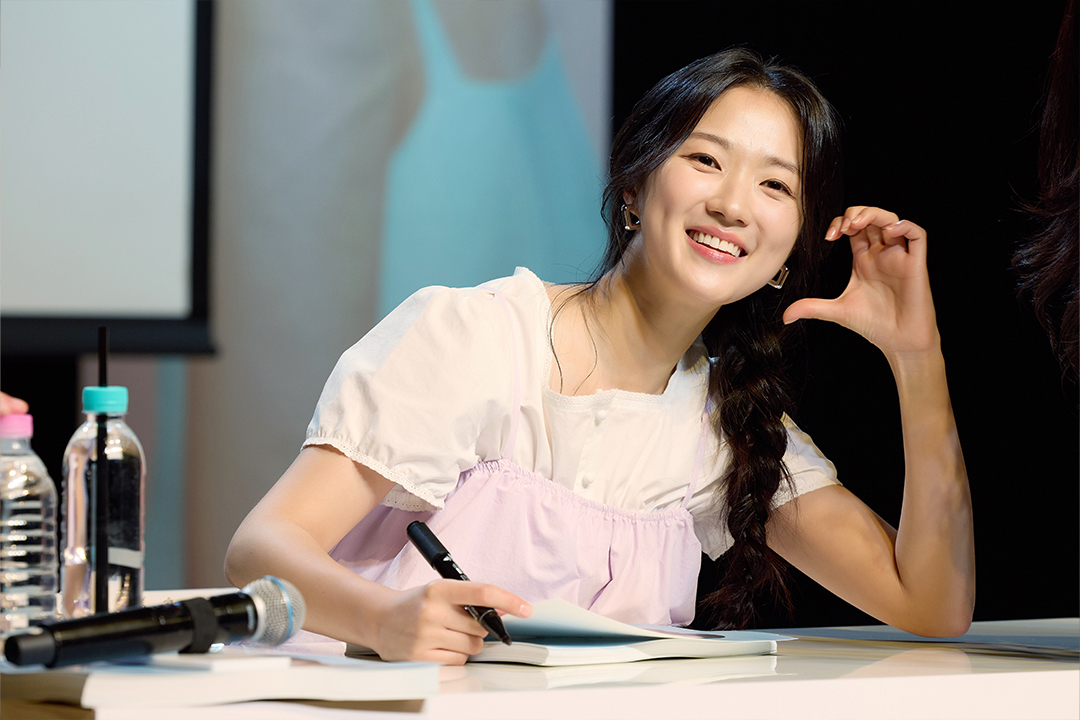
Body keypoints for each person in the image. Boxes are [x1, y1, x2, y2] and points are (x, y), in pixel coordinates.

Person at [225, 48, 974, 664]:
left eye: (775, 184)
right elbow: (260, 549)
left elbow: (932, 603)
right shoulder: (476, 335)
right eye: (706, 160)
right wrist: (383, 618)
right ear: (634, 188)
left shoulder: (728, 424)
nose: (733, 204)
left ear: (789, 251)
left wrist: (917, 355)